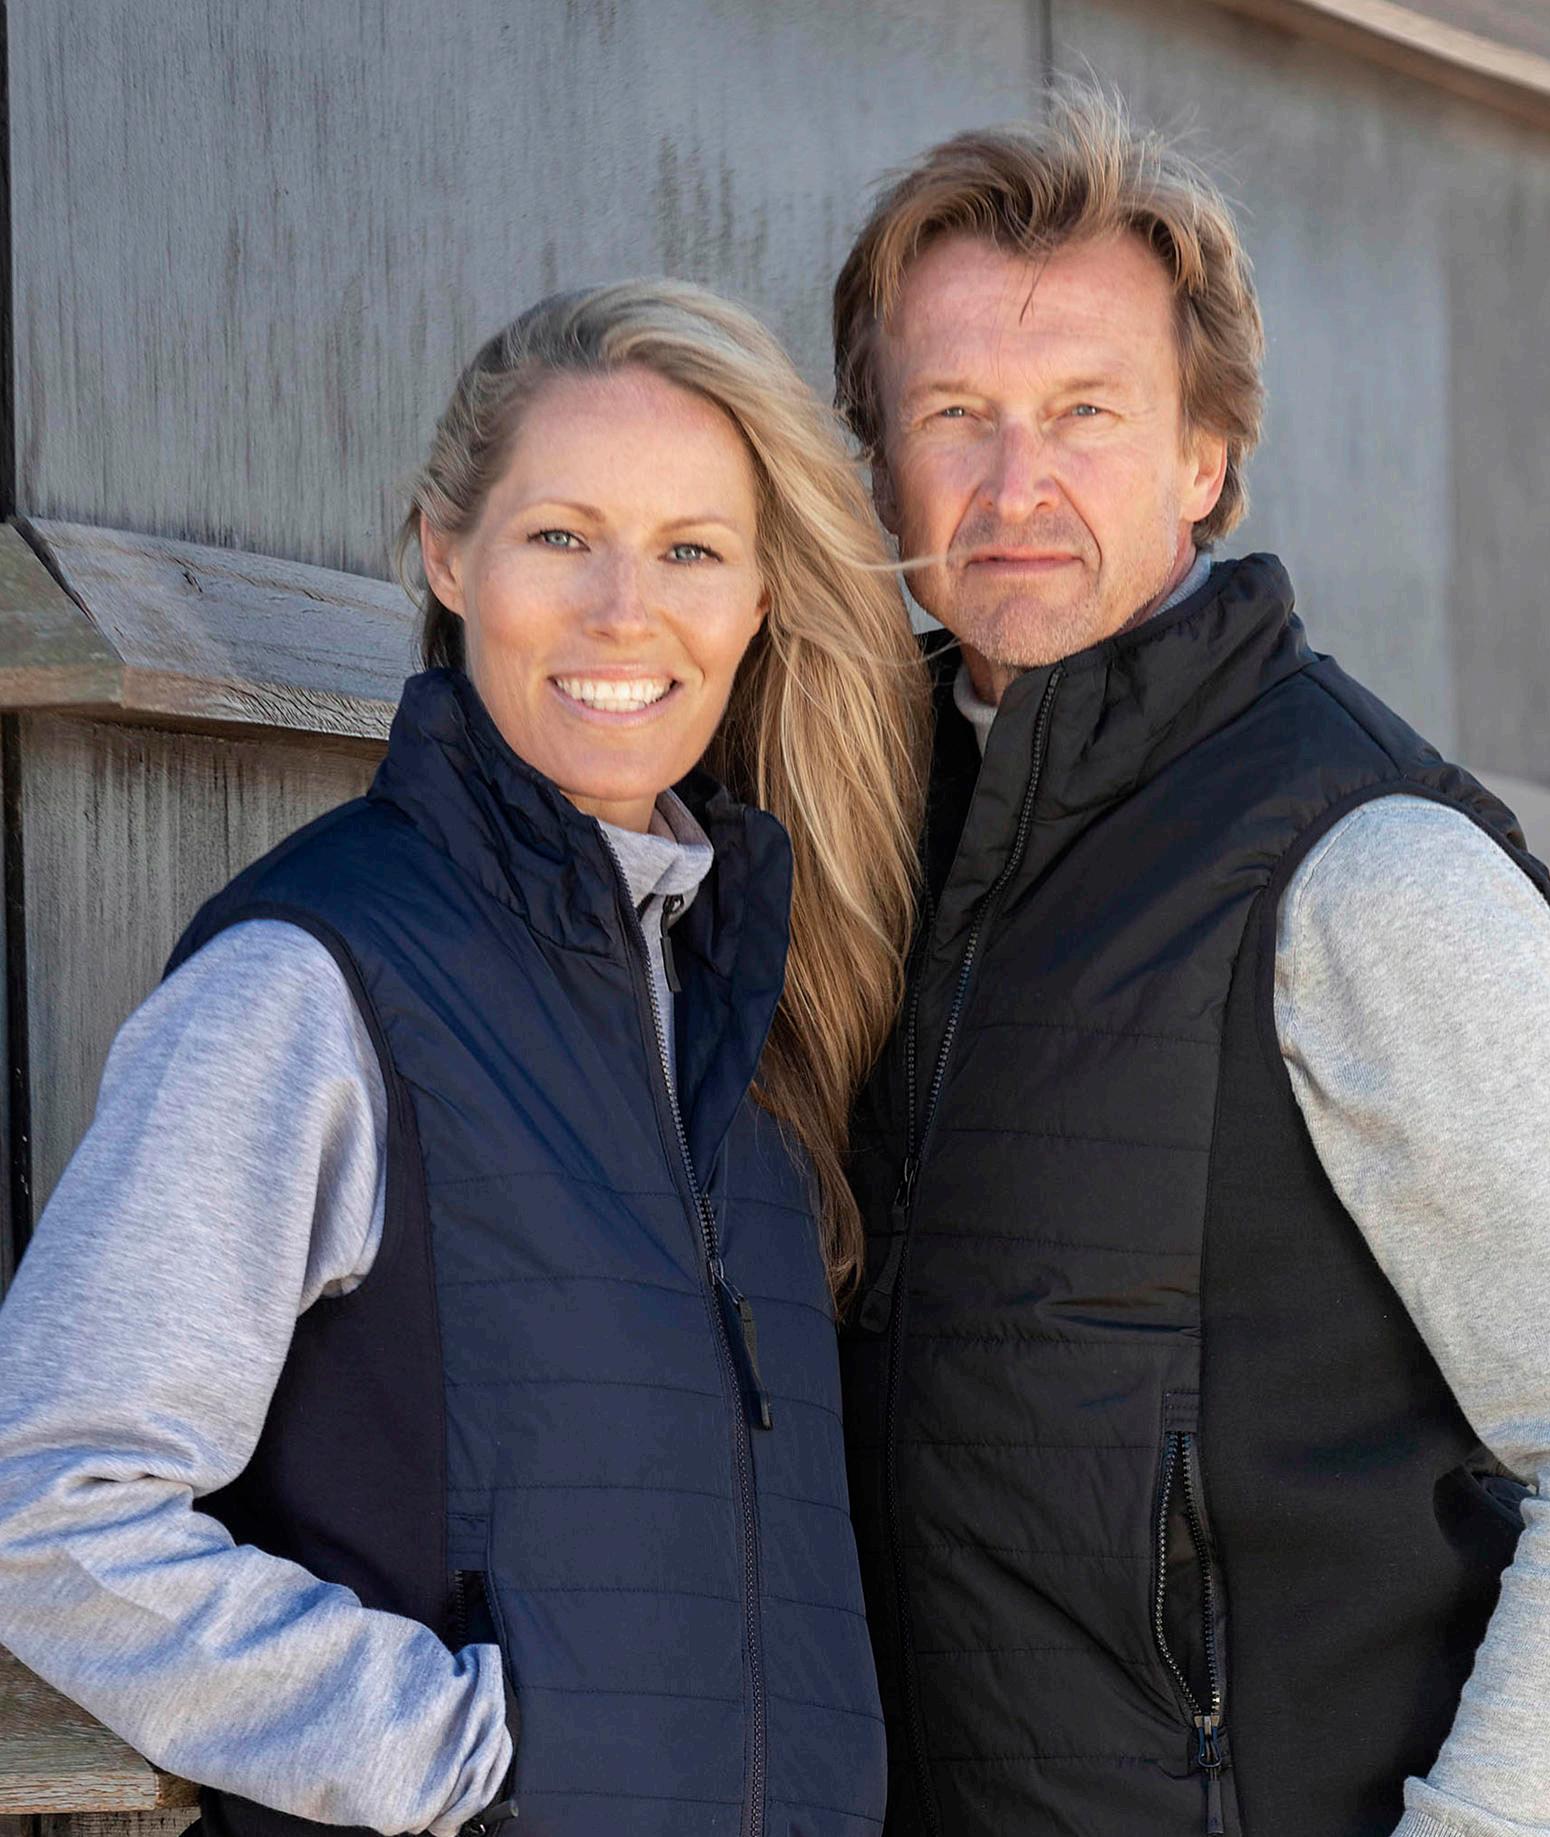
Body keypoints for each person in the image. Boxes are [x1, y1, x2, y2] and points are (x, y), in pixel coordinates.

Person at [831, 87, 1550, 1837]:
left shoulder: (1365, 869)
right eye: (953, 414)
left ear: (1205, 456)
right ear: (876, 458)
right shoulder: (857, 834)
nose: (1013, 486)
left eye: (1085, 412)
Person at [0, 281, 930, 1837]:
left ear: (762, 594)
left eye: (691, 549)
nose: (623, 608)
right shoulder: (313, 980)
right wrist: (462, 1755)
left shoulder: (757, 1009)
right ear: (448, 553)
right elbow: (45, 1495)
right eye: (561, 535)